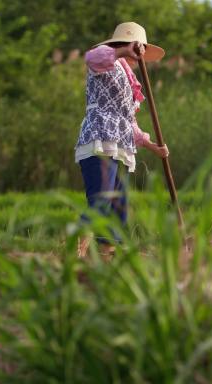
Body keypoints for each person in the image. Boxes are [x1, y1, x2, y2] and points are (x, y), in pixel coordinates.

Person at [76, 22, 169, 257]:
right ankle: (74, 251)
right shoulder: (106, 62)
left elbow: (129, 123)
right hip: (100, 140)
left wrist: (153, 147)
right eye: (138, 49)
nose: (139, 56)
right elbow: (90, 57)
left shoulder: (129, 79)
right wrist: (122, 51)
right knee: (101, 201)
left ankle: (107, 257)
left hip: (121, 147)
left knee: (119, 208)